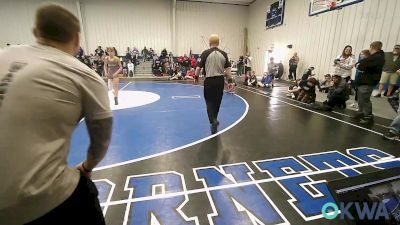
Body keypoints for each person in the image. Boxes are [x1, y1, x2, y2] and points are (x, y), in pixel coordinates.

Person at [0, 4, 112, 225]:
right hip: (39, 199)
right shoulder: (83, 74)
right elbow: (101, 140)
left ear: (36, 33)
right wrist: (87, 167)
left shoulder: (4, 54)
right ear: (77, 39)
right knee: (85, 189)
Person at [195, 34, 232, 134]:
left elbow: (198, 68)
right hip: (220, 81)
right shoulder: (224, 54)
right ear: (219, 43)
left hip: (209, 81)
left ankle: (213, 120)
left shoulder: (205, 53)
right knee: (217, 101)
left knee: (209, 101)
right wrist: (230, 82)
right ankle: (215, 118)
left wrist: (196, 77)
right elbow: (228, 70)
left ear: (209, 43)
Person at [353, 41, 385, 125]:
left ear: (371, 47)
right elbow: (361, 64)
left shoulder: (377, 57)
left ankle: (368, 117)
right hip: (364, 81)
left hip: (368, 82)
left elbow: (362, 65)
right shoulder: (375, 57)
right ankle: (361, 113)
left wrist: (359, 65)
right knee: (360, 98)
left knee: (365, 99)